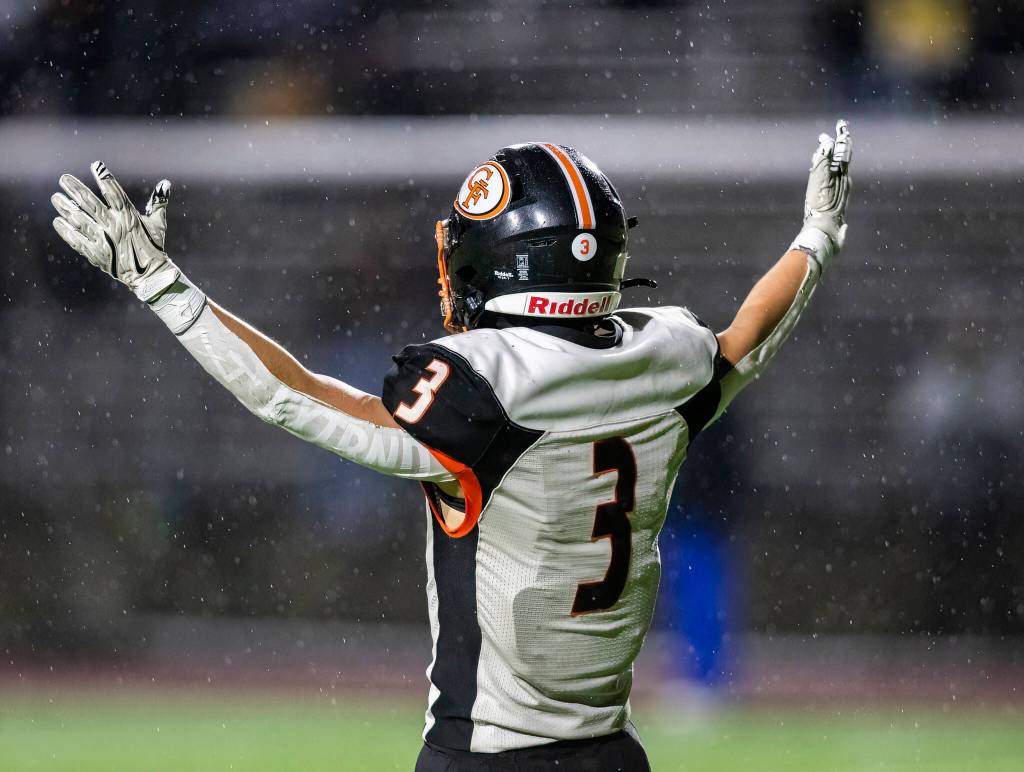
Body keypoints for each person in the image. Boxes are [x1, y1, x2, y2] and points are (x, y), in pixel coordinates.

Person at [50, 123, 852, 771]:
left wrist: (161, 285)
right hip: (611, 755)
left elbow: (289, 395)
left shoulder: (484, 383)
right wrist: (816, 237)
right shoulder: (668, 357)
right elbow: (751, 336)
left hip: (487, 755)